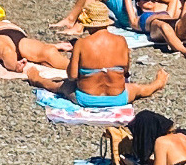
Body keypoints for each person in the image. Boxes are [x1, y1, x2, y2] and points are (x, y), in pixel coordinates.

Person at [21, 17, 169, 108]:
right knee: (138, 88)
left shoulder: (81, 43)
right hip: (118, 98)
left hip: (86, 99)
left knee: (57, 85)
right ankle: (157, 84)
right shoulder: (121, 41)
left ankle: (36, 78)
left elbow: (72, 75)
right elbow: (125, 72)